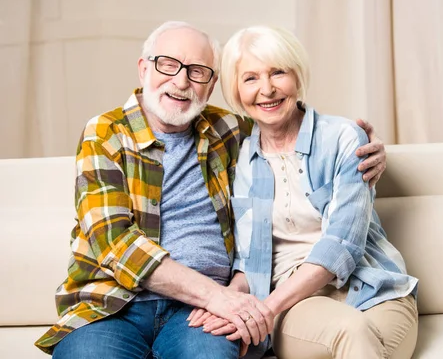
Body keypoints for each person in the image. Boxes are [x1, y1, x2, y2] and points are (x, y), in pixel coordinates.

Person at [33, 21, 387, 358]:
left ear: (213, 83)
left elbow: (286, 120)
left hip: (198, 315)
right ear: (144, 69)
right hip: (114, 306)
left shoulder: (228, 128)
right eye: (168, 65)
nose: (181, 81)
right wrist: (220, 297)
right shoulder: (106, 133)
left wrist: (363, 143)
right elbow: (115, 243)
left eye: (197, 71)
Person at [188, 26, 419, 359]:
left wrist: (264, 311)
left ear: (297, 76)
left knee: (363, 339)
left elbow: (342, 246)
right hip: (296, 302)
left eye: (277, 73)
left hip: (376, 290)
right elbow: (249, 259)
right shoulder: (242, 160)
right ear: (236, 91)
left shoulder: (343, 138)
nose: (266, 90)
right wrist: (226, 303)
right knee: (351, 332)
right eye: (250, 78)